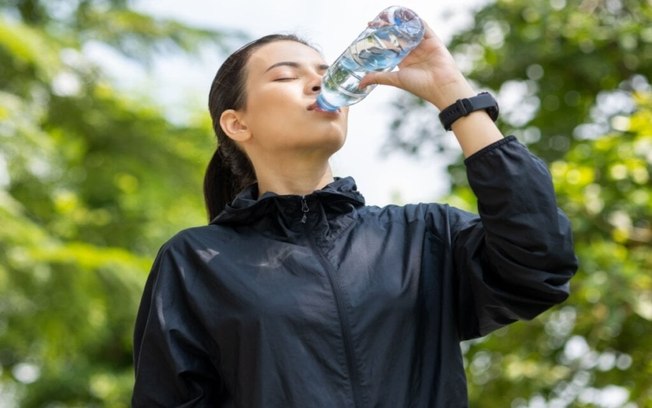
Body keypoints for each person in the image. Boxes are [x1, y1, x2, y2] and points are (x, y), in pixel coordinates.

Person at [131, 19, 578, 407]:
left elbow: (540, 266)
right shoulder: (196, 262)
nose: (318, 83)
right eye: (286, 76)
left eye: (327, 74)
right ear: (237, 123)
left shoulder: (423, 238)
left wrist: (453, 94)